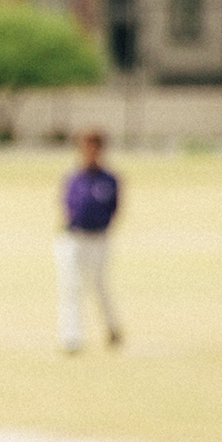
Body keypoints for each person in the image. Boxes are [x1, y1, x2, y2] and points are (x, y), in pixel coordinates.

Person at [57, 130, 123, 354]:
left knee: (99, 286)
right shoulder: (75, 178)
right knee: (71, 287)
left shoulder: (108, 180)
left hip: (99, 239)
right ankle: (71, 337)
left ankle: (111, 327)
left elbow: (114, 208)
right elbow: (67, 206)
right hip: (75, 238)